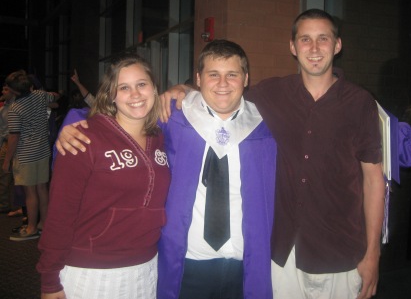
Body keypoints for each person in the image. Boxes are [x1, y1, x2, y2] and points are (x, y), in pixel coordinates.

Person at [159, 9, 386, 299]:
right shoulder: (271, 94)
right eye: (305, 39)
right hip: (283, 255)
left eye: (323, 39)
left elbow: (373, 181)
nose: (314, 48)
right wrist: (182, 89)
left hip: (339, 251)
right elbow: (221, 91)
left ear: (337, 45)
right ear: (293, 47)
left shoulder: (360, 102)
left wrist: (373, 254)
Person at [55, 40, 277, 299]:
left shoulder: (267, 126)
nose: (223, 83)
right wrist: (72, 125)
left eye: (232, 75)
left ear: (246, 78)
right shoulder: (173, 116)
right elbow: (117, 117)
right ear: (198, 78)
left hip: (243, 261)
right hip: (187, 261)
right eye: (213, 74)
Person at [37, 53, 171, 299]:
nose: (135, 94)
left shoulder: (161, 137)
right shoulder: (85, 138)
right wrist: (49, 279)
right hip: (92, 271)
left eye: (142, 84)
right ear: (111, 95)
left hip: (146, 266)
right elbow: (60, 213)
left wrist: (183, 89)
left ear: (154, 89)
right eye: (124, 87)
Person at [2, 71, 56, 241]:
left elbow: (14, 136)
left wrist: (7, 161)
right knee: (42, 189)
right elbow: (55, 97)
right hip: (42, 151)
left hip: (26, 156)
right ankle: (45, 224)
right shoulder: (40, 96)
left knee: (30, 193)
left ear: (14, 91)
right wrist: (51, 100)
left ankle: (31, 227)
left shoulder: (15, 109)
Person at [0, 84, 15, 214]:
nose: (3, 92)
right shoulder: (3, 108)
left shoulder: (18, 106)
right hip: (6, 143)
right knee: (4, 174)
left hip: (18, 142)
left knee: (18, 175)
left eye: (6, 89)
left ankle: (22, 206)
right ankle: (4, 203)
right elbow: (1, 130)